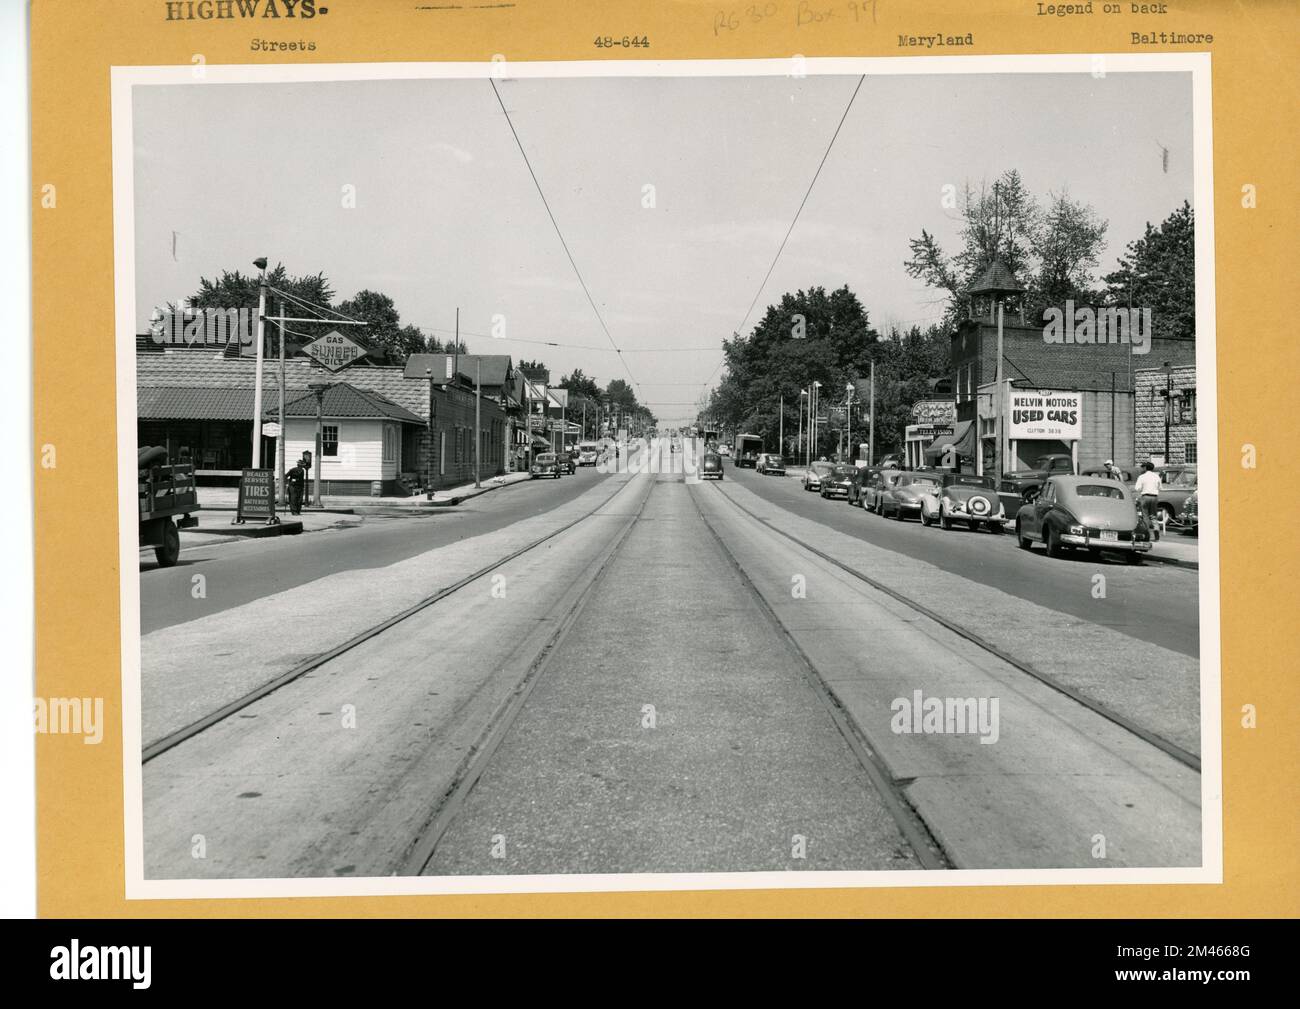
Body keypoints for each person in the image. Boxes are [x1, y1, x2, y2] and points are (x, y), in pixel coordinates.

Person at [1134, 460, 1162, 538]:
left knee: (1145, 516)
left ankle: (1147, 534)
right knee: (1153, 515)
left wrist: (1143, 488)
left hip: (1145, 496)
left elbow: (1137, 488)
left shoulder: (1142, 476)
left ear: (1145, 468)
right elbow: (1160, 487)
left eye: (1143, 467)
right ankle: (1156, 529)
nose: (1141, 468)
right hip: (1154, 497)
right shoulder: (1157, 476)